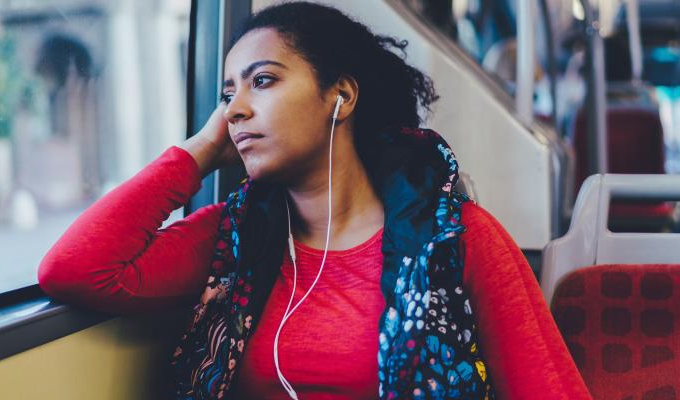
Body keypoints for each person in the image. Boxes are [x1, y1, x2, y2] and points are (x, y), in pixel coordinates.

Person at [38, 2, 591, 399]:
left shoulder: (461, 241)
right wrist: (200, 150)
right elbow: (79, 269)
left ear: (341, 96)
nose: (235, 109)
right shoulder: (232, 241)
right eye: (227, 94)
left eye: (263, 81)